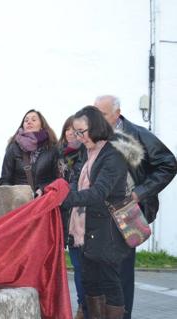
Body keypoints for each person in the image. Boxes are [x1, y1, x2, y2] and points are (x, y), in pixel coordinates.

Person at [94, 95, 177, 319]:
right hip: (97, 215)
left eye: (101, 113)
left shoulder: (136, 135)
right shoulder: (92, 137)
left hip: (126, 212)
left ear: (117, 113)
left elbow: (168, 164)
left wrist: (140, 192)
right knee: (98, 275)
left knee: (121, 275)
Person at [62, 105, 145, 319]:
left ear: (96, 127)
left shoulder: (113, 154)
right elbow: (74, 180)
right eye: (76, 132)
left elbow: (98, 193)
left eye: (82, 131)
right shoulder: (86, 150)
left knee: (110, 282)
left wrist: (64, 199)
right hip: (86, 230)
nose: (78, 137)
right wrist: (65, 191)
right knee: (89, 282)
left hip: (107, 231)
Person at [57, 115, 86, 319]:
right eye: (67, 129)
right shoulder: (57, 154)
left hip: (79, 215)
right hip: (60, 214)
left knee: (81, 266)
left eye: (74, 130)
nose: (69, 133)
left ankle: (83, 306)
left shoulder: (86, 154)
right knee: (69, 266)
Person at [0, 109, 59, 196]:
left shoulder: (52, 148)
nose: (29, 122)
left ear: (42, 125)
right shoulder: (13, 148)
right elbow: (5, 180)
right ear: (23, 125)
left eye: (34, 120)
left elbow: (57, 179)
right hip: (20, 203)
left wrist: (43, 189)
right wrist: (15, 196)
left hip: (44, 201)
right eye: (26, 120)